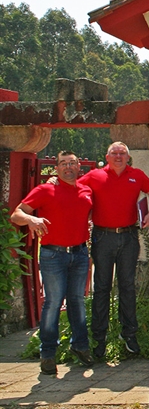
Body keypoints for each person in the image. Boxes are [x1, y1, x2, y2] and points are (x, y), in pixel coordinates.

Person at [12, 151, 94, 375]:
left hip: (78, 253)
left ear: (79, 167)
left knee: (77, 301)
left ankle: (80, 346)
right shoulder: (45, 189)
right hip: (52, 255)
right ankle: (48, 353)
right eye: (63, 164)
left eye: (72, 163)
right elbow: (16, 214)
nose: (68, 167)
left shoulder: (86, 190)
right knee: (53, 302)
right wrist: (31, 219)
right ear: (55, 168)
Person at [80, 141, 149, 360]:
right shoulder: (94, 176)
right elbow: (73, 189)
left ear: (128, 157)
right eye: (114, 153)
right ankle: (99, 339)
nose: (118, 156)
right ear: (107, 157)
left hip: (128, 236)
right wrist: (53, 180)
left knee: (127, 286)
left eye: (122, 153)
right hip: (103, 236)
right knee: (102, 288)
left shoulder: (137, 175)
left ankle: (129, 336)